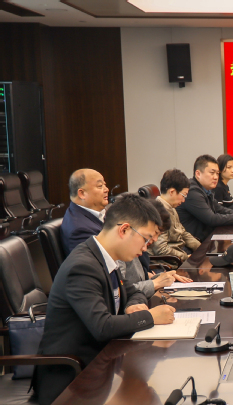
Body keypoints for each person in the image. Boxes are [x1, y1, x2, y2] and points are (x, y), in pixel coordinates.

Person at [34, 194, 177, 405]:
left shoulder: (106, 258)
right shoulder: (82, 266)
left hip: (103, 365)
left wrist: (134, 304)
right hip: (73, 380)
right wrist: (150, 317)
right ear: (124, 230)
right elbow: (102, 326)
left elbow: (132, 291)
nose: (146, 247)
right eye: (145, 239)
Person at [177, 154, 233, 241]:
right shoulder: (192, 192)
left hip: (205, 238)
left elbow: (219, 209)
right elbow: (211, 219)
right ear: (198, 174)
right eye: (212, 173)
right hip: (194, 243)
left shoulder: (206, 190)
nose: (216, 177)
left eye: (217, 173)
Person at [149, 169, 201, 262]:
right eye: (183, 195)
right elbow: (161, 249)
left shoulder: (171, 207)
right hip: (169, 261)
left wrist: (200, 248)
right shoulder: (159, 212)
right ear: (172, 192)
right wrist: (185, 257)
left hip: (180, 252)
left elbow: (183, 232)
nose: (184, 200)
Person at [61, 168, 109, 254]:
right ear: (82, 193)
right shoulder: (80, 230)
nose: (106, 189)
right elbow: (102, 259)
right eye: (100, 186)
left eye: (105, 185)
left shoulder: (98, 212)